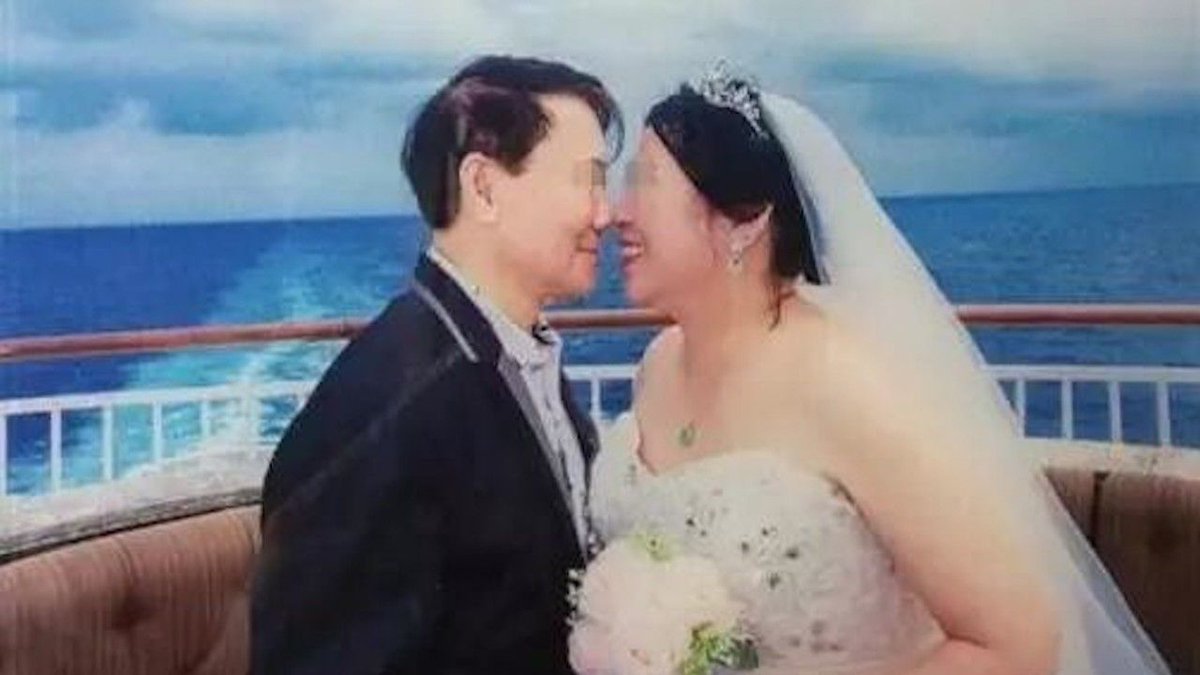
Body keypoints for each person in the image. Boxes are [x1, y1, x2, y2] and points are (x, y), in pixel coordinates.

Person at [589, 63, 1170, 674]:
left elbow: (1020, 640)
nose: (617, 213)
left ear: (746, 220)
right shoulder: (658, 365)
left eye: (645, 183)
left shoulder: (848, 386)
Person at [251, 54, 621, 674]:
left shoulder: (512, 355)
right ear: (484, 187)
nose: (604, 213)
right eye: (587, 180)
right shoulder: (384, 406)